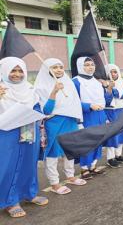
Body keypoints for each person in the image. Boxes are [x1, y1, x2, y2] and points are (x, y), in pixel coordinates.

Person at [0, 57, 48, 218]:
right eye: (13, 70)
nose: (17, 74)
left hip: (29, 129)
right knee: (8, 165)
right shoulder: (1, 89)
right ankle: (10, 201)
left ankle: (29, 193)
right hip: (8, 132)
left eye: (20, 70)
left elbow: (37, 106)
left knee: (29, 162)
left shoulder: (29, 88)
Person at [35, 58, 87, 195]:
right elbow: (46, 111)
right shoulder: (41, 86)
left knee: (69, 151)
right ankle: (54, 183)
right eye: (54, 67)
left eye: (60, 67)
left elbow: (75, 103)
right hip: (53, 123)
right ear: (47, 69)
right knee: (52, 153)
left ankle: (70, 176)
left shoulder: (68, 83)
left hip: (70, 122)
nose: (58, 70)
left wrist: (78, 121)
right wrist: (54, 92)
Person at [72, 57, 111, 179]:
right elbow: (73, 102)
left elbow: (106, 101)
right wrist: (89, 106)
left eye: (92, 64)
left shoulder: (97, 81)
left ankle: (93, 166)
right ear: (80, 67)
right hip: (86, 115)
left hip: (100, 115)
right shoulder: (75, 81)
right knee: (87, 142)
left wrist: (109, 88)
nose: (90, 67)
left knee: (98, 141)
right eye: (87, 65)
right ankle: (84, 169)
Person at [104, 64, 123, 168]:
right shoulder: (103, 83)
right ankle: (110, 158)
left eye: (115, 71)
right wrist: (108, 88)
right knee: (113, 134)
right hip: (111, 111)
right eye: (110, 72)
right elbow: (106, 99)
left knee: (122, 132)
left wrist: (111, 88)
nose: (113, 74)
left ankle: (118, 155)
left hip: (122, 109)